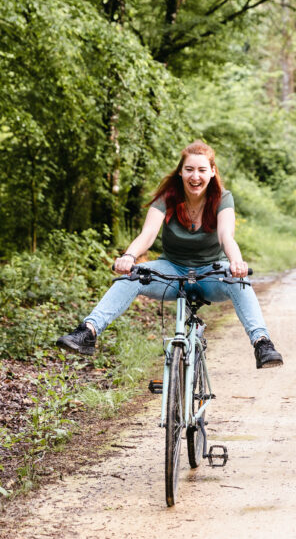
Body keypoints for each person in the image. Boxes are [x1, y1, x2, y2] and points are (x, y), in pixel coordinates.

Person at [57, 140, 283, 369]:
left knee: (240, 281)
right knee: (131, 276)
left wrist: (236, 262)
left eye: (202, 170)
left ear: (212, 172)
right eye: (189, 169)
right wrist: (129, 256)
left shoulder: (222, 198)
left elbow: (226, 236)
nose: (195, 176)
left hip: (211, 273)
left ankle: (261, 343)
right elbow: (148, 234)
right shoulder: (167, 197)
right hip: (172, 270)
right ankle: (88, 331)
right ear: (180, 172)